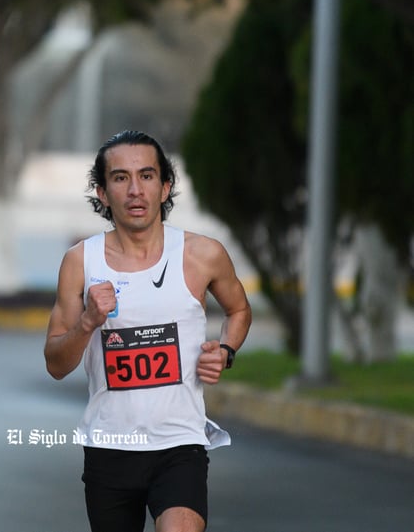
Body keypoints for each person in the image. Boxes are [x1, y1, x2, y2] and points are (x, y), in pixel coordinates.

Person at [43, 130, 251, 532]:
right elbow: (55, 364)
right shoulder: (80, 263)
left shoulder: (202, 254)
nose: (135, 190)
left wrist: (225, 349)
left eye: (147, 176)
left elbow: (239, 309)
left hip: (179, 444)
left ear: (165, 186)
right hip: (109, 447)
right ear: (102, 193)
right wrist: (87, 322)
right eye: (120, 178)